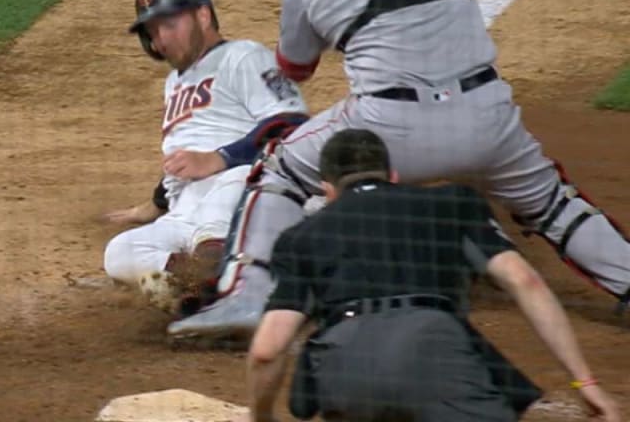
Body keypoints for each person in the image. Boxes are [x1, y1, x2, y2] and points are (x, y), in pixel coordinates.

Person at [167, 0, 630, 341]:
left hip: (390, 132)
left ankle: (251, 294)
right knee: (554, 204)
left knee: (281, 170)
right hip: (489, 118)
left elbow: (294, 67)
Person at [243, 128, 621, 422]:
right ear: (393, 174)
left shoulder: (301, 236)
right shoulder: (452, 203)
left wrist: (261, 418)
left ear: (328, 190)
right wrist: (584, 381)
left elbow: (266, 350)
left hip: (345, 370)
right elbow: (525, 281)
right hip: (435, 358)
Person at [102, 0, 310, 315]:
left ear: (202, 15)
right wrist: (154, 204)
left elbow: (293, 123)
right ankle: (200, 287)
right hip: (186, 208)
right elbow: (188, 152)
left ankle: (216, 275)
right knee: (119, 251)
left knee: (232, 187)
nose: (159, 40)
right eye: (152, 32)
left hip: (241, 187)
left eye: (168, 25)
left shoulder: (242, 56)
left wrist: (221, 158)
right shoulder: (174, 82)